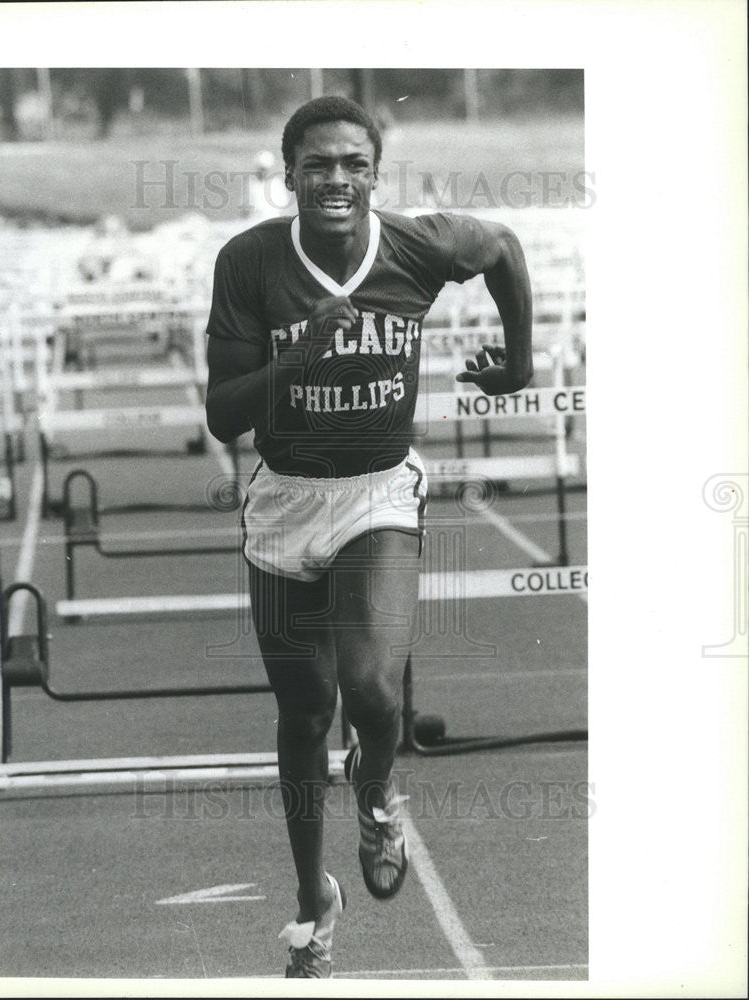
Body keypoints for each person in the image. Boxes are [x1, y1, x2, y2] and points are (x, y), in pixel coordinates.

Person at [204, 95, 533, 979]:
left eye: (354, 162)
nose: (337, 178)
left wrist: (521, 360)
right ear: (290, 174)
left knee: (371, 690)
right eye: (318, 164)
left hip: (378, 493)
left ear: (375, 174)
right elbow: (220, 412)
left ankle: (380, 792)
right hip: (283, 502)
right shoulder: (250, 261)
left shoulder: (418, 245)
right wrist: (301, 354)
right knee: (304, 715)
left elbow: (500, 245)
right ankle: (315, 902)